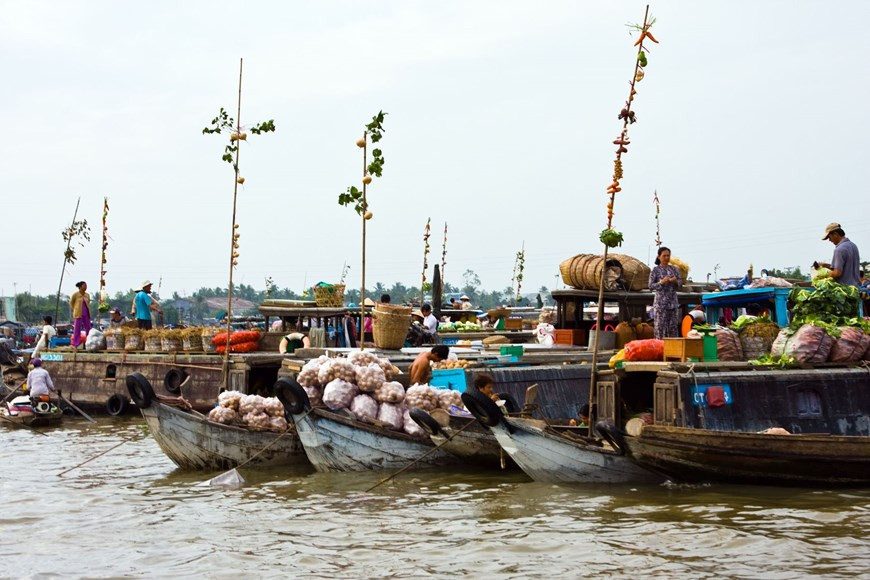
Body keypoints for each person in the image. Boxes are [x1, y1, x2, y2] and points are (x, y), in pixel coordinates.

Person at [649, 246, 682, 339]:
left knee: (673, 329)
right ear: (659, 257)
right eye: (664, 256)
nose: (666, 258)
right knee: (660, 329)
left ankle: (673, 351)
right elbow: (651, 286)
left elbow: (680, 285)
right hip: (660, 305)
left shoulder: (674, 269)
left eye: (668, 256)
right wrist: (661, 282)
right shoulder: (655, 270)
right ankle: (660, 350)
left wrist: (675, 281)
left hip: (672, 304)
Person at [818, 223, 861, 289]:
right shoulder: (853, 246)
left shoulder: (839, 249)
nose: (829, 240)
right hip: (856, 289)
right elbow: (845, 267)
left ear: (835, 234)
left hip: (845, 290)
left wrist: (823, 276)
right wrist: (825, 265)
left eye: (829, 237)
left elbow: (837, 273)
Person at [69, 281, 91, 348]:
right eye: (84, 285)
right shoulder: (75, 294)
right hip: (78, 313)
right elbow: (71, 302)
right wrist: (75, 308)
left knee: (88, 328)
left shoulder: (87, 295)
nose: (86, 287)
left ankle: (88, 341)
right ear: (80, 287)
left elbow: (88, 303)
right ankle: (76, 343)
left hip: (86, 313)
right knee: (77, 329)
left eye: (86, 285)